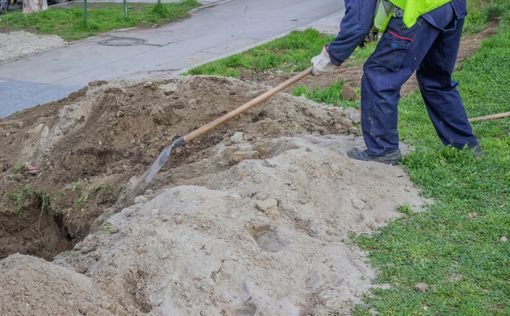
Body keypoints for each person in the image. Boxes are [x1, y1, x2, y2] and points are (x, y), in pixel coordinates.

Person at [311, 0, 480, 164]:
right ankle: (463, 145)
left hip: (420, 9)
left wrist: (332, 55)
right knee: (435, 79)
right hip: (451, 6)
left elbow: (358, 23)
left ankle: (383, 149)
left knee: (379, 76)